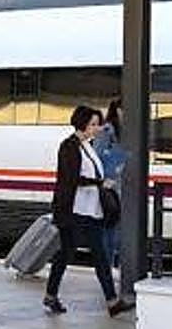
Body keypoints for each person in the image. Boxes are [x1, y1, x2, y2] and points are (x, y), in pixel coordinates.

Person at [45, 106, 134, 317]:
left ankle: (112, 302)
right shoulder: (69, 146)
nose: (97, 128)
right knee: (66, 254)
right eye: (93, 124)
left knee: (99, 255)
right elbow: (70, 178)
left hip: (90, 210)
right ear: (82, 123)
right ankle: (51, 295)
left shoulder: (88, 146)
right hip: (73, 211)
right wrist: (100, 183)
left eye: (98, 124)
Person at [92, 99, 125, 267]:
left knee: (118, 231)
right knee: (110, 230)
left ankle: (113, 265)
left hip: (123, 188)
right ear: (118, 110)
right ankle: (106, 266)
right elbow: (96, 158)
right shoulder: (106, 131)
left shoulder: (127, 131)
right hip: (110, 189)